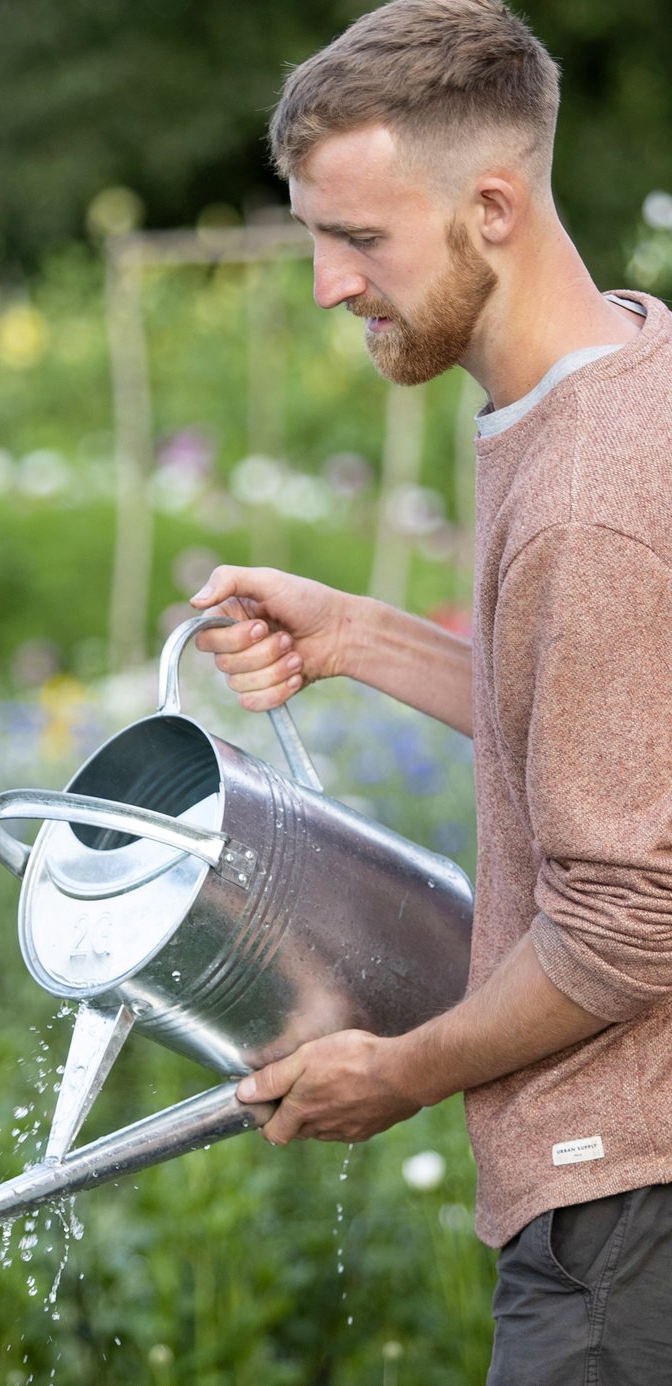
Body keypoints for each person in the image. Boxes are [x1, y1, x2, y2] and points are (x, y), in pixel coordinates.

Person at [188, 1, 672, 1380]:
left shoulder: (588, 494)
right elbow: (605, 712)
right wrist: (357, 636)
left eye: (359, 239)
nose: (332, 284)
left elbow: (635, 924)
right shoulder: (627, 371)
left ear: (494, 206)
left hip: (624, 1215)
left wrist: (403, 1069)